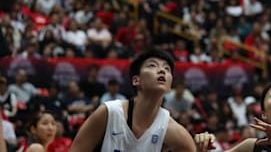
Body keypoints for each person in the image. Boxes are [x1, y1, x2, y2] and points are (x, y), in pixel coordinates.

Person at [69, 49, 213, 152]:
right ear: (136, 80)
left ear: (170, 86)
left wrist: (201, 149)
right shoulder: (109, 113)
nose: (162, 71)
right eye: (152, 65)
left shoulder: (172, 130)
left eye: (167, 69)